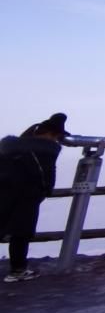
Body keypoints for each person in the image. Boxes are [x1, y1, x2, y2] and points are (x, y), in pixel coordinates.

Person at [0, 113, 69, 282]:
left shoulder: (9, 147)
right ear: (51, 134)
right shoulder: (45, 151)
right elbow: (47, 176)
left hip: (3, 193)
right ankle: (18, 270)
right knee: (21, 233)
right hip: (27, 196)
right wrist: (45, 191)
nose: (57, 142)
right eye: (57, 138)